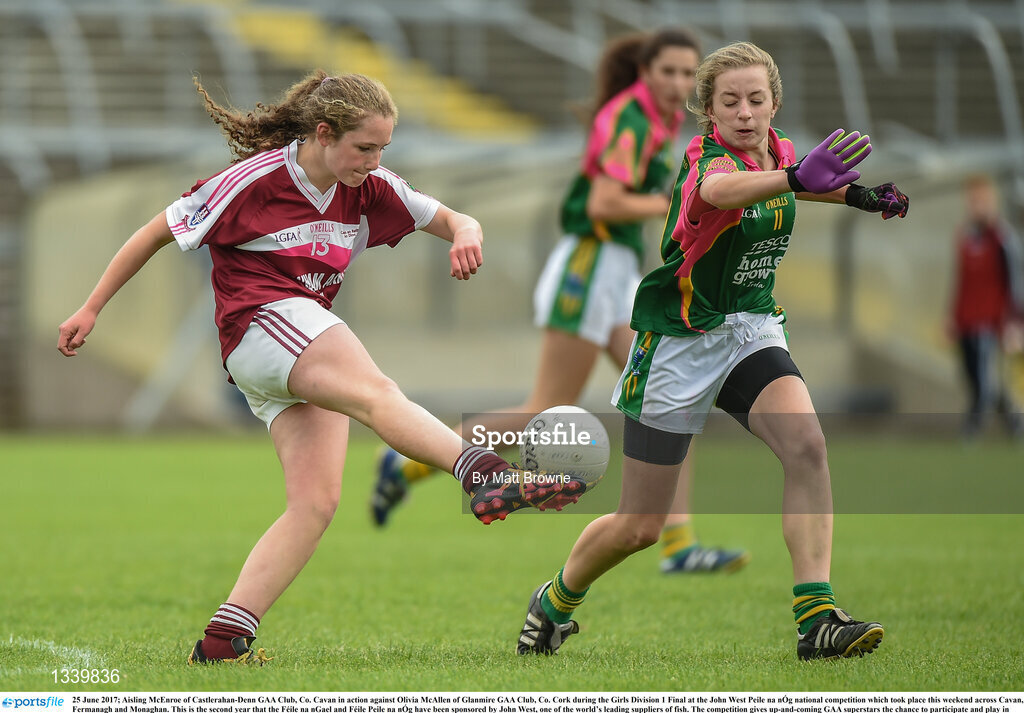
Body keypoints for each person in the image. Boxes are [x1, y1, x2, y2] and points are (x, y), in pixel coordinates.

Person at [56, 70, 589, 665]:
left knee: (314, 505)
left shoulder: (370, 185)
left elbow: (453, 218)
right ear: (322, 132)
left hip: (293, 342)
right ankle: (483, 473)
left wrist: (467, 232)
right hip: (262, 324)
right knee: (376, 392)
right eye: (364, 148)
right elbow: (154, 232)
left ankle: (223, 641)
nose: (375, 160)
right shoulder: (254, 180)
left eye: (384, 148)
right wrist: (92, 306)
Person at [515, 41, 911, 661]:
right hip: (679, 343)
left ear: (774, 102)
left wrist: (860, 196)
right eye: (730, 101)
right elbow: (728, 193)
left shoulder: (780, 152)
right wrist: (797, 177)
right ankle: (555, 601)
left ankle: (816, 618)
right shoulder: (707, 161)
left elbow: (798, 181)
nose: (746, 111)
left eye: (757, 99)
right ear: (709, 111)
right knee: (640, 527)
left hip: (749, 328)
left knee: (806, 446)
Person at [370, 28, 750, 573]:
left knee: (670, 402)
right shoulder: (631, 116)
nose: (679, 82)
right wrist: (676, 200)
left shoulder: (657, 119)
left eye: (689, 73)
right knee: (544, 409)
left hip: (616, 272)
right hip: (588, 268)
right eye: (668, 71)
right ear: (647, 74)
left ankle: (679, 545)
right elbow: (604, 201)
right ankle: (406, 463)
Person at [949, 173, 1024, 437]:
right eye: (971, 201)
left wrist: (1015, 323)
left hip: (990, 322)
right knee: (973, 376)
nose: (974, 206)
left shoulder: (1002, 239)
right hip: (967, 322)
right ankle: (1015, 424)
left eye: (980, 200)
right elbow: (961, 284)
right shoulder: (966, 238)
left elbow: (1015, 283)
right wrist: (953, 319)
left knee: (983, 380)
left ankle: (971, 432)